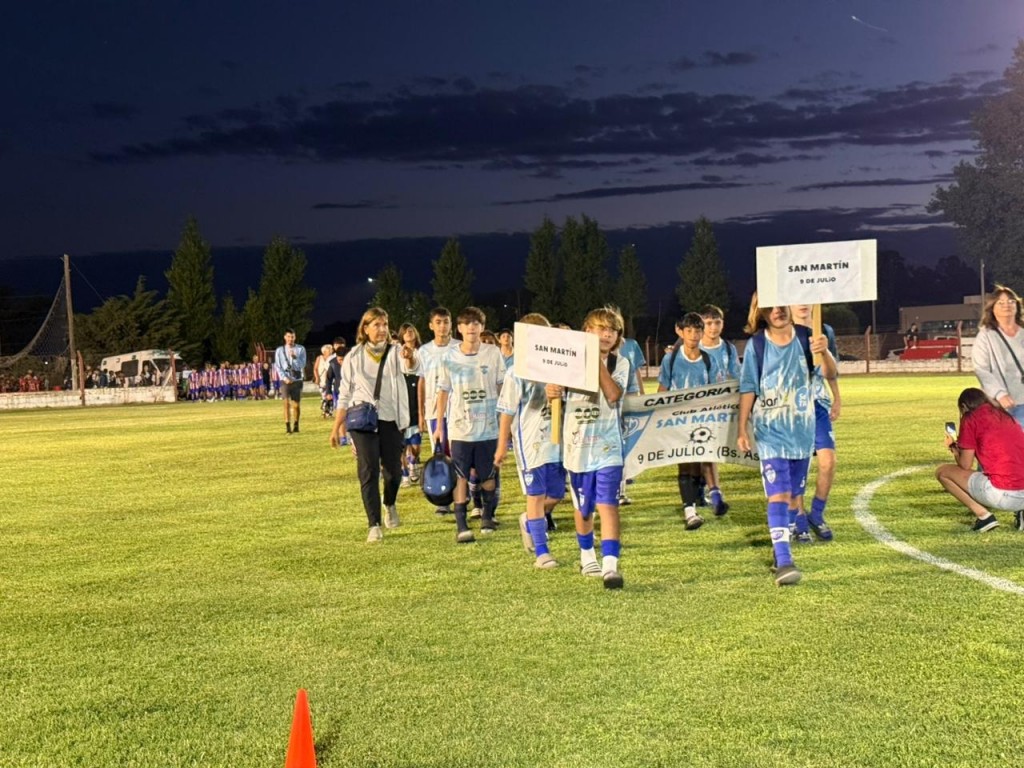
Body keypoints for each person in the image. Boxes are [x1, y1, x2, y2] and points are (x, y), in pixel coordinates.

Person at [737, 294, 836, 587]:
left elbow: (830, 374)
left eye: (782, 304)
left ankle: (788, 534)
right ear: (762, 312)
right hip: (769, 432)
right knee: (778, 494)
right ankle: (783, 560)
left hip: (801, 432)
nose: (778, 310)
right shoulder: (757, 345)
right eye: (771, 306)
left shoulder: (808, 338)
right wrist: (742, 427)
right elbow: (748, 388)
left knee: (793, 496)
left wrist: (825, 352)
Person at [551, 306, 630, 589]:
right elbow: (555, 394)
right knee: (584, 509)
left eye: (612, 330)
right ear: (587, 331)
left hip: (609, 447)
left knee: (608, 504)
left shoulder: (620, 363)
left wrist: (596, 363)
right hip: (578, 447)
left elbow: (612, 394)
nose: (606, 334)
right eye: (600, 328)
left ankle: (610, 565)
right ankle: (587, 555)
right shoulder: (569, 362)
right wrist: (553, 391)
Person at [330, 308, 413, 542]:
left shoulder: (396, 351)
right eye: (376, 325)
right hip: (363, 421)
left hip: (391, 419)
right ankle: (373, 524)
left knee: (393, 472)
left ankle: (390, 503)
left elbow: (412, 367)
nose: (382, 329)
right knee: (368, 472)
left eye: (385, 324)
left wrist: (410, 357)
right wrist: (337, 426)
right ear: (365, 329)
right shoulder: (354, 356)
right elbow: (344, 393)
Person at [494, 312, 565, 569]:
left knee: (556, 493)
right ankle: (541, 552)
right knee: (535, 494)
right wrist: (502, 445)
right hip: (530, 442)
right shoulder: (517, 372)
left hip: (556, 441)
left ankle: (528, 520)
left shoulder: (559, 366)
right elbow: (506, 411)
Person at [433, 307, 506, 542]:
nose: (472, 328)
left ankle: (487, 515)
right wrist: (439, 425)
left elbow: (502, 386)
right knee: (461, 475)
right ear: (460, 329)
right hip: (460, 428)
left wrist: (505, 419)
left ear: (482, 327)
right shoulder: (450, 356)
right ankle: (462, 524)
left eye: (476, 323)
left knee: (488, 474)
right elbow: (443, 390)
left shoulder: (493, 353)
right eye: (467, 324)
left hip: (488, 426)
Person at [658, 312, 718, 530]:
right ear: (679, 331)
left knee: (697, 464)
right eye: (689, 330)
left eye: (697, 330)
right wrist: (657, 414)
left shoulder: (710, 359)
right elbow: (663, 388)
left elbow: (715, 390)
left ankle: (697, 499)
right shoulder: (671, 358)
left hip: (702, 421)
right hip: (678, 421)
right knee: (684, 462)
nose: (693, 335)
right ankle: (689, 511)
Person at [937, 387, 1024, 532]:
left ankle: (984, 516)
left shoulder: (971, 418)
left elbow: (965, 464)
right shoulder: (1005, 416)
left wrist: (953, 446)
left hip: (1003, 494)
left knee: (942, 472)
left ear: (964, 406)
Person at [789, 304, 841, 543]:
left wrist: (837, 398)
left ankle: (817, 514)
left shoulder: (824, 330)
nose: (802, 303)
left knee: (828, 461)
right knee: (797, 466)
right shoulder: (782, 329)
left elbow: (831, 371)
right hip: (790, 408)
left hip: (817, 404)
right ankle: (798, 519)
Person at [698, 303, 740, 516]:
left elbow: (736, 376)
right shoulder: (694, 347)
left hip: (722, 406)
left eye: (717, 322)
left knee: (712, 449)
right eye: (708, 323)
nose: (713, 327)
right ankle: (714, 493)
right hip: (699, 408)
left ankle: (710, 489)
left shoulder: (728, 348)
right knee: (706, 449)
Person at [419, 307, 455, 514]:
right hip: (435, 412)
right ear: (431, 325)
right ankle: (444, 498)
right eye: (438, 322)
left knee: (459, 455)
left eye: (446, 321)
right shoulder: (424, 351)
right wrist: (422, 413)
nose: (443, 326)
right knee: (441, 455)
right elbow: (422, 383)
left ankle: (463, 494)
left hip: (459, 411)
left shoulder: (459, 348)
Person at [971, 285, 1024, 428]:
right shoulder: (986, 336)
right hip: (1006, 404)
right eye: (1000, 302)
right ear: (992, 308)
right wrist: (999, 393)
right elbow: (981, 369)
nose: (1007, 305)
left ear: (1017, 305)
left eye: (1011, 301)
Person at [397, 323, 422, 488]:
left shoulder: (422, 351)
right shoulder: (396, 351)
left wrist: (410, 356)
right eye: (405, 332)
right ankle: (405, 473)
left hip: (417, 388)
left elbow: (414, 365)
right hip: (400, 391)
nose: (409, 333)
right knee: (401, 443)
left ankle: (413, 462)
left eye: (411, 330)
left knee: (416, 446)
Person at [274, 329, 307, 434]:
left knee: (296, 405)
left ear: (295, 337)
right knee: (286, 403)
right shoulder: (279, 350)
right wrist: (284, 378)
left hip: (297, 379)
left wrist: (295, 357)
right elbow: (278, 366)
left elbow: (302, 365)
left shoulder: (301, 349)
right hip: (285, 380)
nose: (290, 339)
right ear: (285, 337)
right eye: (288, 336)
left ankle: (296, 424)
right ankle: (288, 427)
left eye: (292, 337)